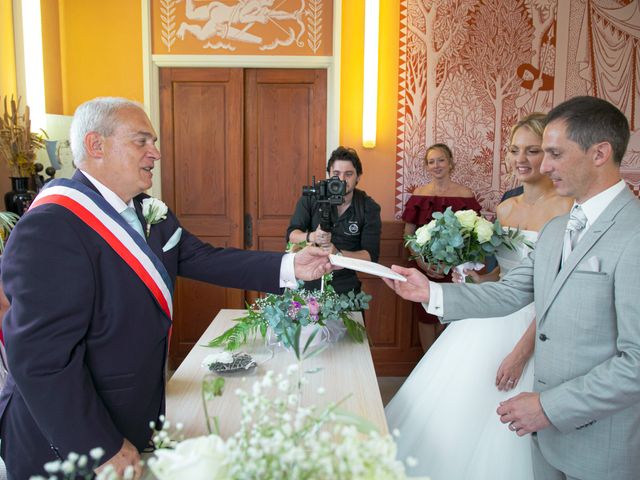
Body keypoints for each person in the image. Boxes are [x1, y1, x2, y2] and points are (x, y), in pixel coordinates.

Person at [0, 97, 333, 479]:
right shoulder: (52, 226)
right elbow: (40, 358)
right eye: (141, 141)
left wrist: (292, 265)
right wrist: (99, 445)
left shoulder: (148, 212)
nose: (155, 153)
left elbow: (206, 258)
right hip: (64, 438)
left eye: (153, 142)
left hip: (130, 414)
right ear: (96, 146)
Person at [384, 96, 640, 480]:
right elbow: (509, 291)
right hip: (542, 440)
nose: (543, 165)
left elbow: (635, 363)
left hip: (597, 443)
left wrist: (550, 407)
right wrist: (430, 293)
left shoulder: (633, 234)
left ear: (600, 153)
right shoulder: (558, 229)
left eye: (553, 153)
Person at [385, 113, 571, 480]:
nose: (521, 158)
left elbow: (556, 293)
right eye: (515, 150)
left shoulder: (566, 210)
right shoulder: (505, 208)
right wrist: (471, 279)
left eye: (532, 150)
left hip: (539, 325)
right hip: (496, 312)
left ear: (549, 154)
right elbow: (501, 275)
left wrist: (519, 355)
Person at [401, 143, 481, 350]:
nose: (436, 165)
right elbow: (408, 234)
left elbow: (473, 236)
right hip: (425, 267)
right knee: (426, 314)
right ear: (426, 166)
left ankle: (442, 361)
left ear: (451, 163)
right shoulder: (419, 194)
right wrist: (421, 262)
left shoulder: (465, 194)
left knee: (448, 314)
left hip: (455, 269)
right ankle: (426, 362)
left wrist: (456, 265)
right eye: (431, 161)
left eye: (441, 160)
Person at [286, 146, 381, 294]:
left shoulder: (369, 207)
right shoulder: (312, 197)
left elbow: (370, 257)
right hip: (308, 280)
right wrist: (312, 236)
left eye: (348, 174)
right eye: (336, 174)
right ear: (329, 174)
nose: (342, 180)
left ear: (359, 176)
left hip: (346, 285)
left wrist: (338, 254)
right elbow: (292, 235)